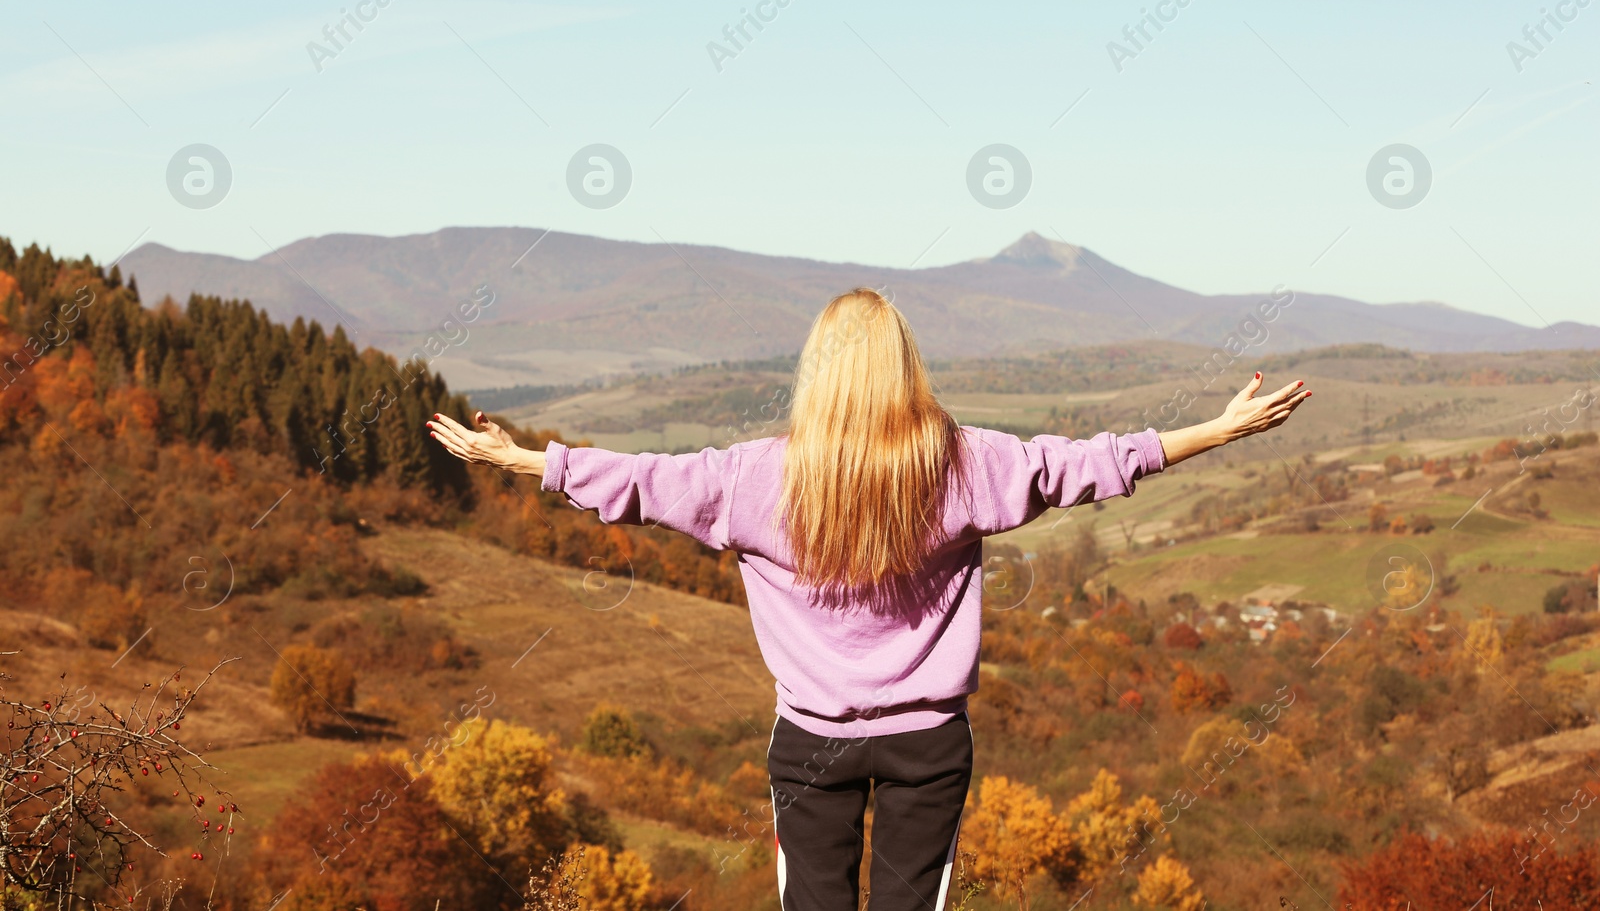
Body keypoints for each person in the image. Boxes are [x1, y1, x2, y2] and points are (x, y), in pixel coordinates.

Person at [427, 287, 1310, 911]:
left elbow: (641, 482)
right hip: (929, 742)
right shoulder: (963, 464)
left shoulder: (750, 478)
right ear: (903, 369)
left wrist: (521, 460)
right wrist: (1218, 429)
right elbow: (1091, 464)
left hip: (810, 740)